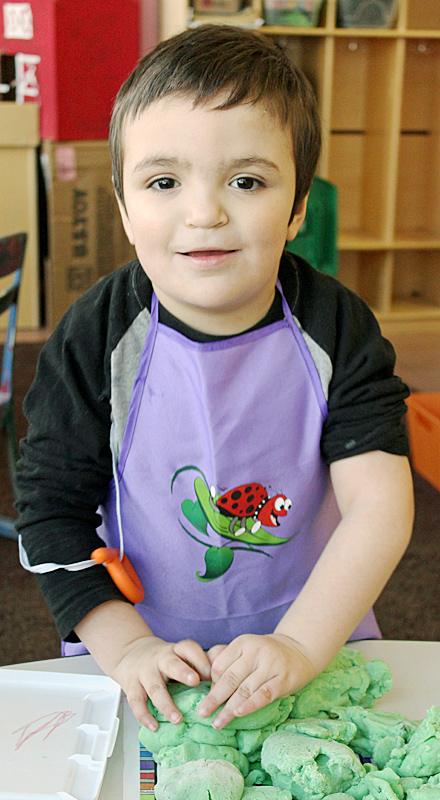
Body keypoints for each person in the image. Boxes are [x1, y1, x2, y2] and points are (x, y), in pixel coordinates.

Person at [17, 24, 414, 734]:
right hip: (145, 651)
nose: (205, 213)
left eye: (248, 180)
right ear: (124, 208)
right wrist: (127, 644)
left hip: (314, 634)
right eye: (164, 181)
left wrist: (299, 644)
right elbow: (52, 512)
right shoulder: (95, 336)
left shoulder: (338, 326)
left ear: (298, 209)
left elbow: (380, 505)